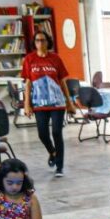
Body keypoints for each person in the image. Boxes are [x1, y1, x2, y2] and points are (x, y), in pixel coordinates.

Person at [20, 29, 74, 176]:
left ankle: (60, 166)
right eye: (37, 40)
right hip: (39, 102)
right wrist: (27, 104)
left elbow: (62, 82)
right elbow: (28, 84)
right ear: (34, 43)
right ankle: (52, 152)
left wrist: (69, 103)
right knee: (42, 134)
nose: (40, 43)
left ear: (48, 42)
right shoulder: (29, 59)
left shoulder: (55, 59)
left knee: (57, 132)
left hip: (57, 102)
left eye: (43, 40)